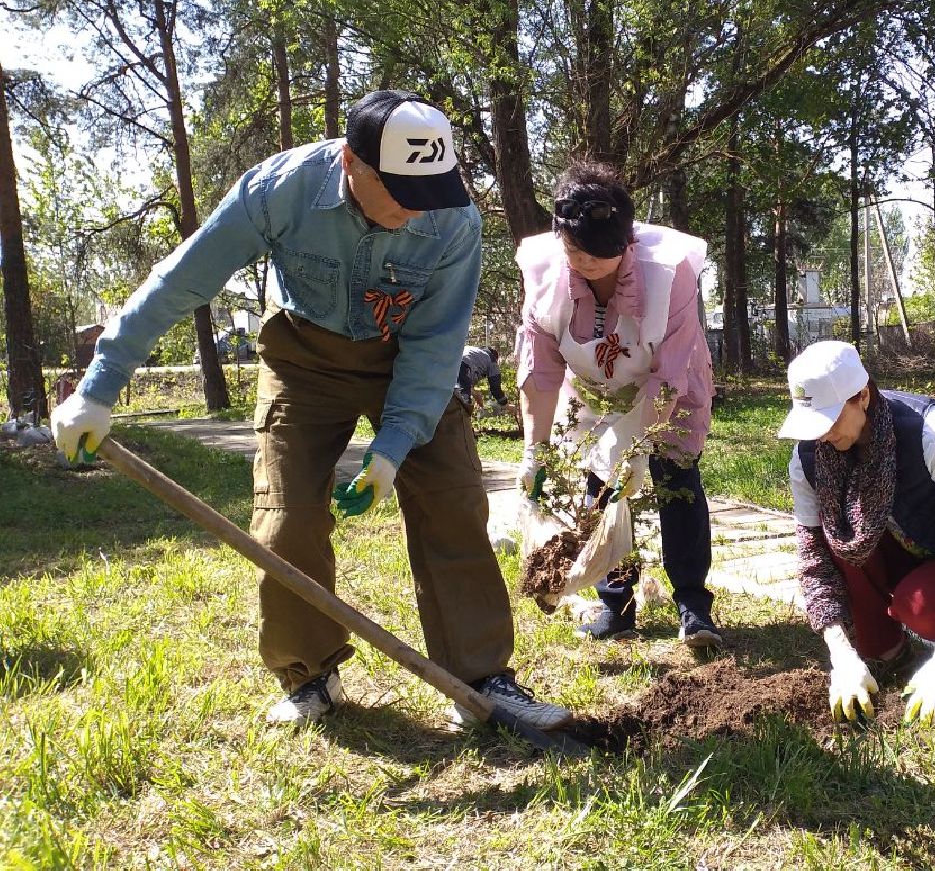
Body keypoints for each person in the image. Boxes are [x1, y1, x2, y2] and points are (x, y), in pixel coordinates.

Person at [52, 90, 570, 732]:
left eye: (430, 191)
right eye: (403, 192)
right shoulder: (279, 190)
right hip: (303, 357)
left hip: (407, 359)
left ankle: (483, 678)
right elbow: (181, 281)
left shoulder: (453, 219)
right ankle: (310, 677)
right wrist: (98, 388)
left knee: (454, 500)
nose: (416, 211)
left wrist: (392, 448)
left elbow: (436, 344)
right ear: (353, 162)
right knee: (287, 514)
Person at [515, 162, 721, 649]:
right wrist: (534, 452)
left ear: (627, 241)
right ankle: (617, 605)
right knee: (600, 489)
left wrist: (635, 452)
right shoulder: (544, 272)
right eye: (576, 252)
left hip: (665, 390)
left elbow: (669, 376)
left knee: (677, 484)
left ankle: (693, 605)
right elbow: (540, 371)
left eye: (599, 256)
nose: (586, 264)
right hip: (594, 391)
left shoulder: (671, 273)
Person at [777, 340, 935, 724]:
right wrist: (842, 657)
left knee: (921, 604)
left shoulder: (930, 432)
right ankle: (888, 652)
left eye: (830, 420)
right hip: (906, 557)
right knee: (835, 542)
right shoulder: (808, 459)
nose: (822, 436)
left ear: (862, 396)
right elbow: (814, 563)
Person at [455, 344, 507, 413]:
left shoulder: (473, 352)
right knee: (464, 404)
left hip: (448, 363)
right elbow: (495, 387)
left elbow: (463, 383)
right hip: (463, 366)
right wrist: (505, 404)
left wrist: (476, 395)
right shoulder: (491, 359)